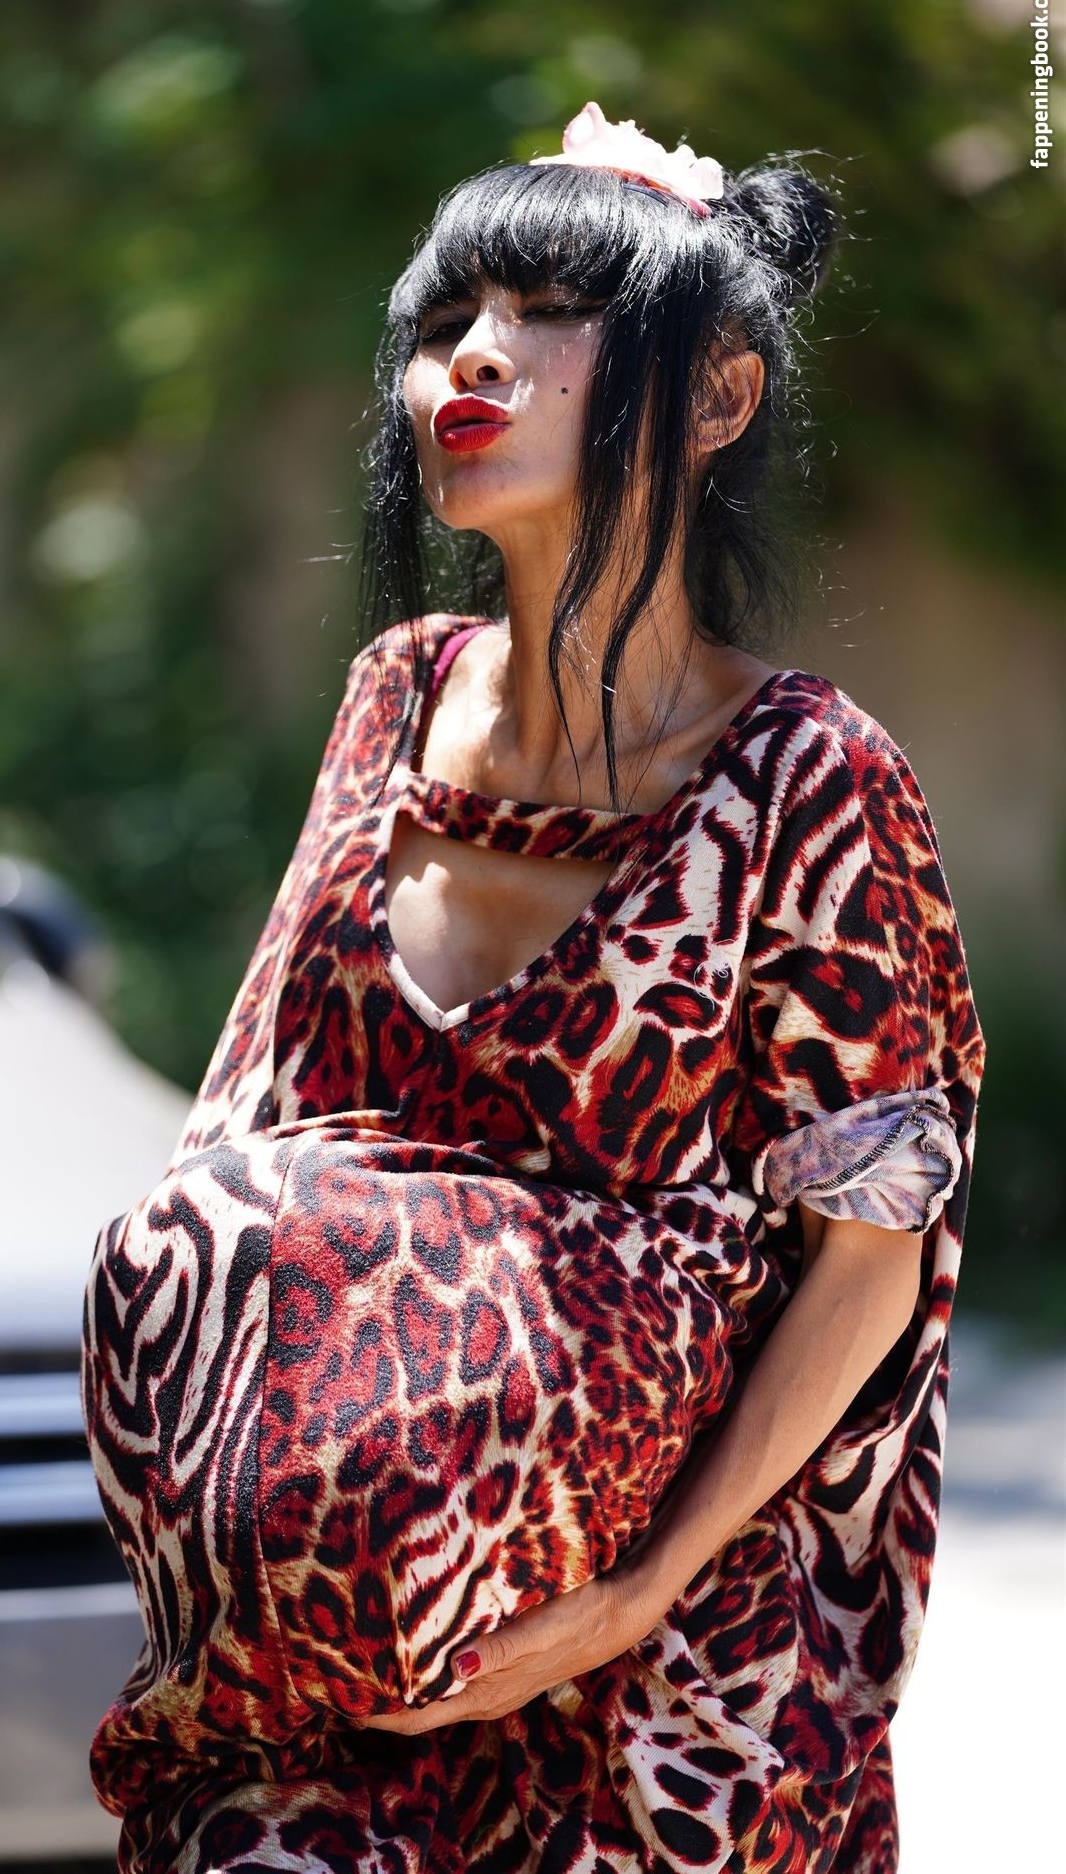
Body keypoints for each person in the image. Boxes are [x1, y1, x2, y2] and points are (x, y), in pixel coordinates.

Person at [80, 101, 985, 1874]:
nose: (472, 360)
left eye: (550, 312)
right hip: (318, 1705)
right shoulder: (391, 698)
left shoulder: (809, 783)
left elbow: (872, 1262)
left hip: (659, 1705)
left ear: (716, 398)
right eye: (444, 321)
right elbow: (252, 1125)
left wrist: (622, 1601)